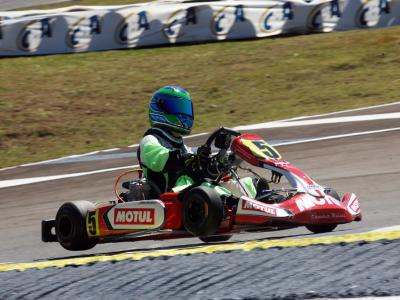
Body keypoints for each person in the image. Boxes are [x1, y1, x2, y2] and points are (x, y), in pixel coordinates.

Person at [137, 86, 266, 198]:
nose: (183, 114)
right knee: (207, 190)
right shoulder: (150, 140)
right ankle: (236, 206)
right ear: (161, 110)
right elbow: (162, 160)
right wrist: (192, 159)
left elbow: (197, 167)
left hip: (194, 190)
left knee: (251, 185)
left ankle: (266, 201)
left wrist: (220, 162)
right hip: (174, 194)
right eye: (178, 108)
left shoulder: (180, 145)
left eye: (185, 109)